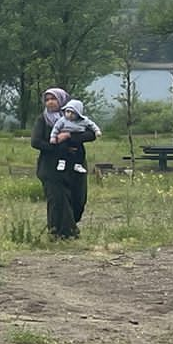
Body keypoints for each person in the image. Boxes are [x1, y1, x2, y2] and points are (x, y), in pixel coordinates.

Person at [31, 89, 101, 239]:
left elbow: (91, 134)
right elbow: (36, 142)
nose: (50, 102)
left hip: (75, 166)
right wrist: (58, 145)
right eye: (47, 99)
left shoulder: (75, 117)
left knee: (78, 200)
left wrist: (70, 135)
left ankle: (69, 226)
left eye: (54, 99)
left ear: (62, 101)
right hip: (51, 168)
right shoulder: (43, 120)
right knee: (58, 200)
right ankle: (60, 233)